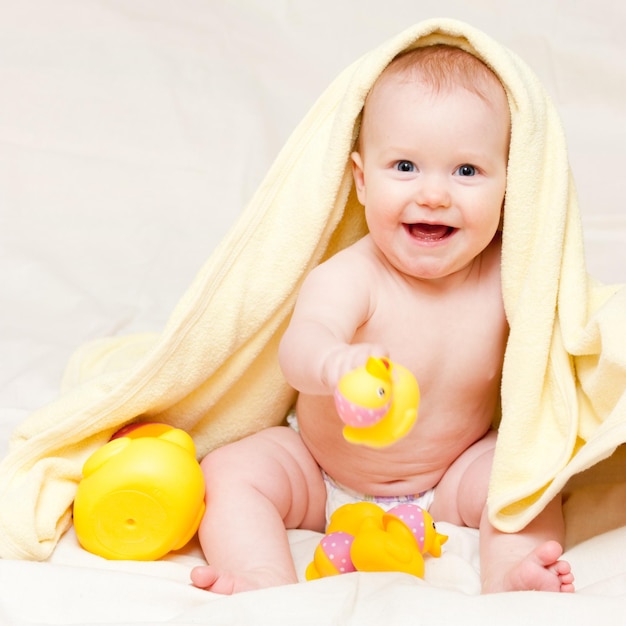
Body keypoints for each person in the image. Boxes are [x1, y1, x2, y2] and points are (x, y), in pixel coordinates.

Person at [189, 44, 575, 595]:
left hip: (451, 474)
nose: (435, 194)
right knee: (230, 472)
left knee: (525, 478)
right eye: (405, 166)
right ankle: (260, 579)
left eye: (467, 169)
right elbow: (300, 348)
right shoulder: (353, 276)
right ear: (362, 179)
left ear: (511, 185)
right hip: (321, 473)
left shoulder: (511, 279)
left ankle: (512, 576)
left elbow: (569, 345)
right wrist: (333, 362)